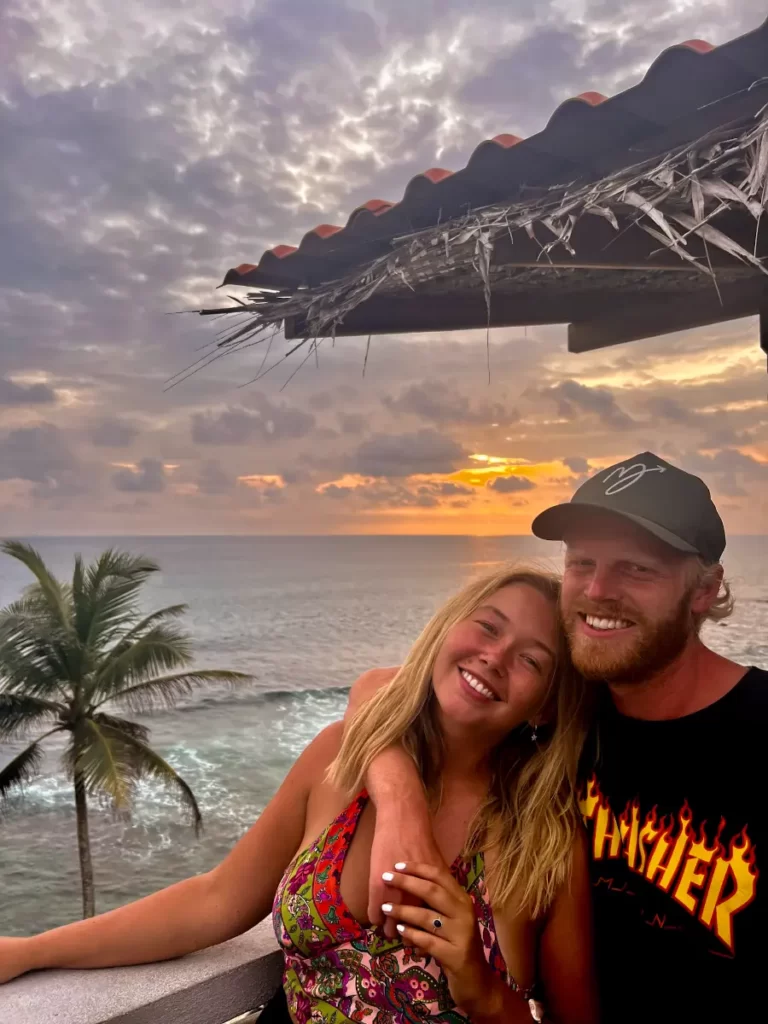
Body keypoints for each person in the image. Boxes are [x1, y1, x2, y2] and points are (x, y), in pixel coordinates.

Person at [0, 565, 598, 1024]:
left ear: (544, 706)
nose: (494, 657)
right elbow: (216, 901)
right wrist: (30, 951)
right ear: (446, 630)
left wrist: (484, 989)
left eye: (531, 661)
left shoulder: (543, 837)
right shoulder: (338, 756)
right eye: (487, 626)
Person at [355, 452, 767, 1024]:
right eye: (582, 562)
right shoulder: (566, 713)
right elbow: (381, 690)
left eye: (637, 568)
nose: (598, 589)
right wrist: (401, 809)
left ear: (704, 590)